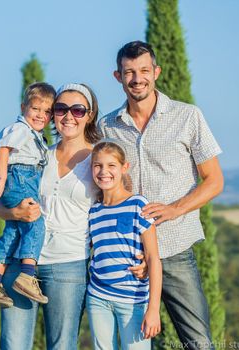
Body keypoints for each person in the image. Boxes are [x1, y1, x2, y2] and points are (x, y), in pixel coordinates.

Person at [0, 83, 146, 349]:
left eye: (77, 110)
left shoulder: (100, 160)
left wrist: (141, 250)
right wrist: (14, 212)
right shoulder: (39, 152)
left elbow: (122, 207)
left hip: (68, 266)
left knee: (62, 345)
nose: (68, 116)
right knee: (13, 344)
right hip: (21, 261)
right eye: (61, 109)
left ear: (89, 115)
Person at [99, 41, 224, 350]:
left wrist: (175, 209)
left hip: (175, 248)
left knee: (199, 343)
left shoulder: (188, 116)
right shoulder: (107, 126)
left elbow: (214, 181)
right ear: (118, 77)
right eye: (129, 72)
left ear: (156, 72)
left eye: (143, 70)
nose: (137, 79)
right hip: (130, 257)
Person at [0, 82, 55, 307]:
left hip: (22, 179)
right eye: (35, 109)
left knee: (12, 231)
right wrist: (1, 179)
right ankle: (27, 275)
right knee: (35, 221)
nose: (41, 115)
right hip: (21, 179)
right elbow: (3, 149)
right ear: (24, 108)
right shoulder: (19, 129)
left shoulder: (34, 134)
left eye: (46, 111)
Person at [86, 139, 162, 350]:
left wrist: (153, 309)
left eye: (111, 165)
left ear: (124, 167)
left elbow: (153, 259)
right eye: (98, 165)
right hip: (98, 298)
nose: (104, 171)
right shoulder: (94, 211)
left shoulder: (138, 205)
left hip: (133, 301)